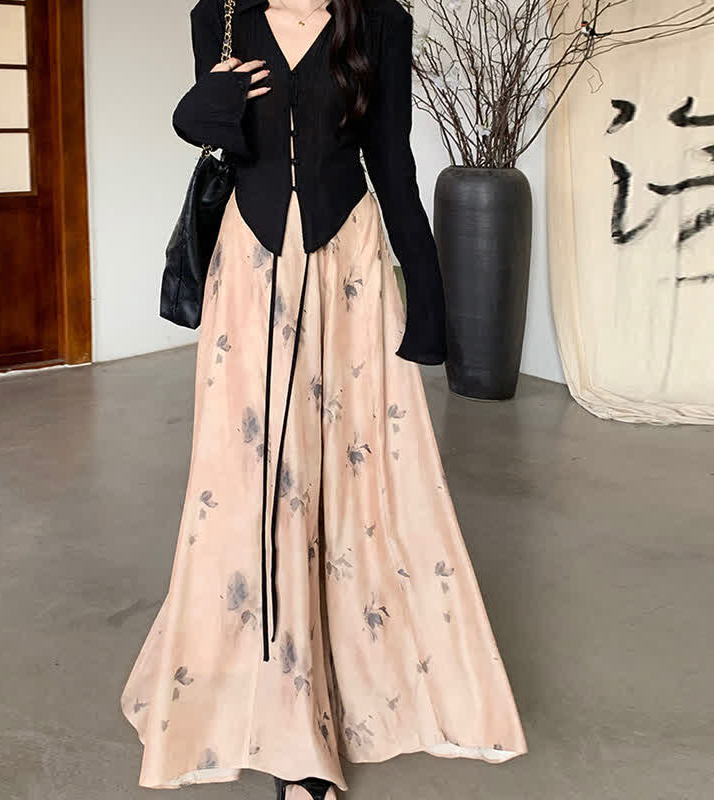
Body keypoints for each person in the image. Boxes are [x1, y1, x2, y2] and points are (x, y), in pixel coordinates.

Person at [120, 0, 528, 796]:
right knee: (257, 481)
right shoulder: (221, 15)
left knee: (356, 479)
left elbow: (393, 164)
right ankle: (289, 728)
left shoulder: (380, 22)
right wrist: (200, 109)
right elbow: (223, 142)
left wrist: (430, 306)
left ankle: (345, 684)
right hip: (251, 273)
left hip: (350, 271)